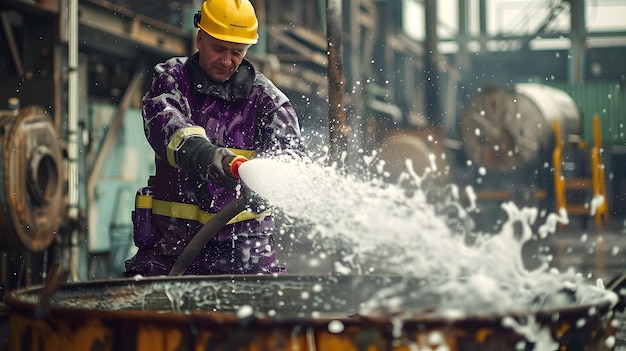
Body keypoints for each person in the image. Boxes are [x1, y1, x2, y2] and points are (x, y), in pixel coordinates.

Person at [124, 0, 305, 277]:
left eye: (237, 52)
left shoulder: (268, 102)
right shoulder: (171, 80)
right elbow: (166, 124)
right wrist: (206, 155)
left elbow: (292, 160)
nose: (226, 60)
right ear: (200, 38)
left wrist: (274, 184)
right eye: (219, 48)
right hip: (172, 249)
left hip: (245, 253)